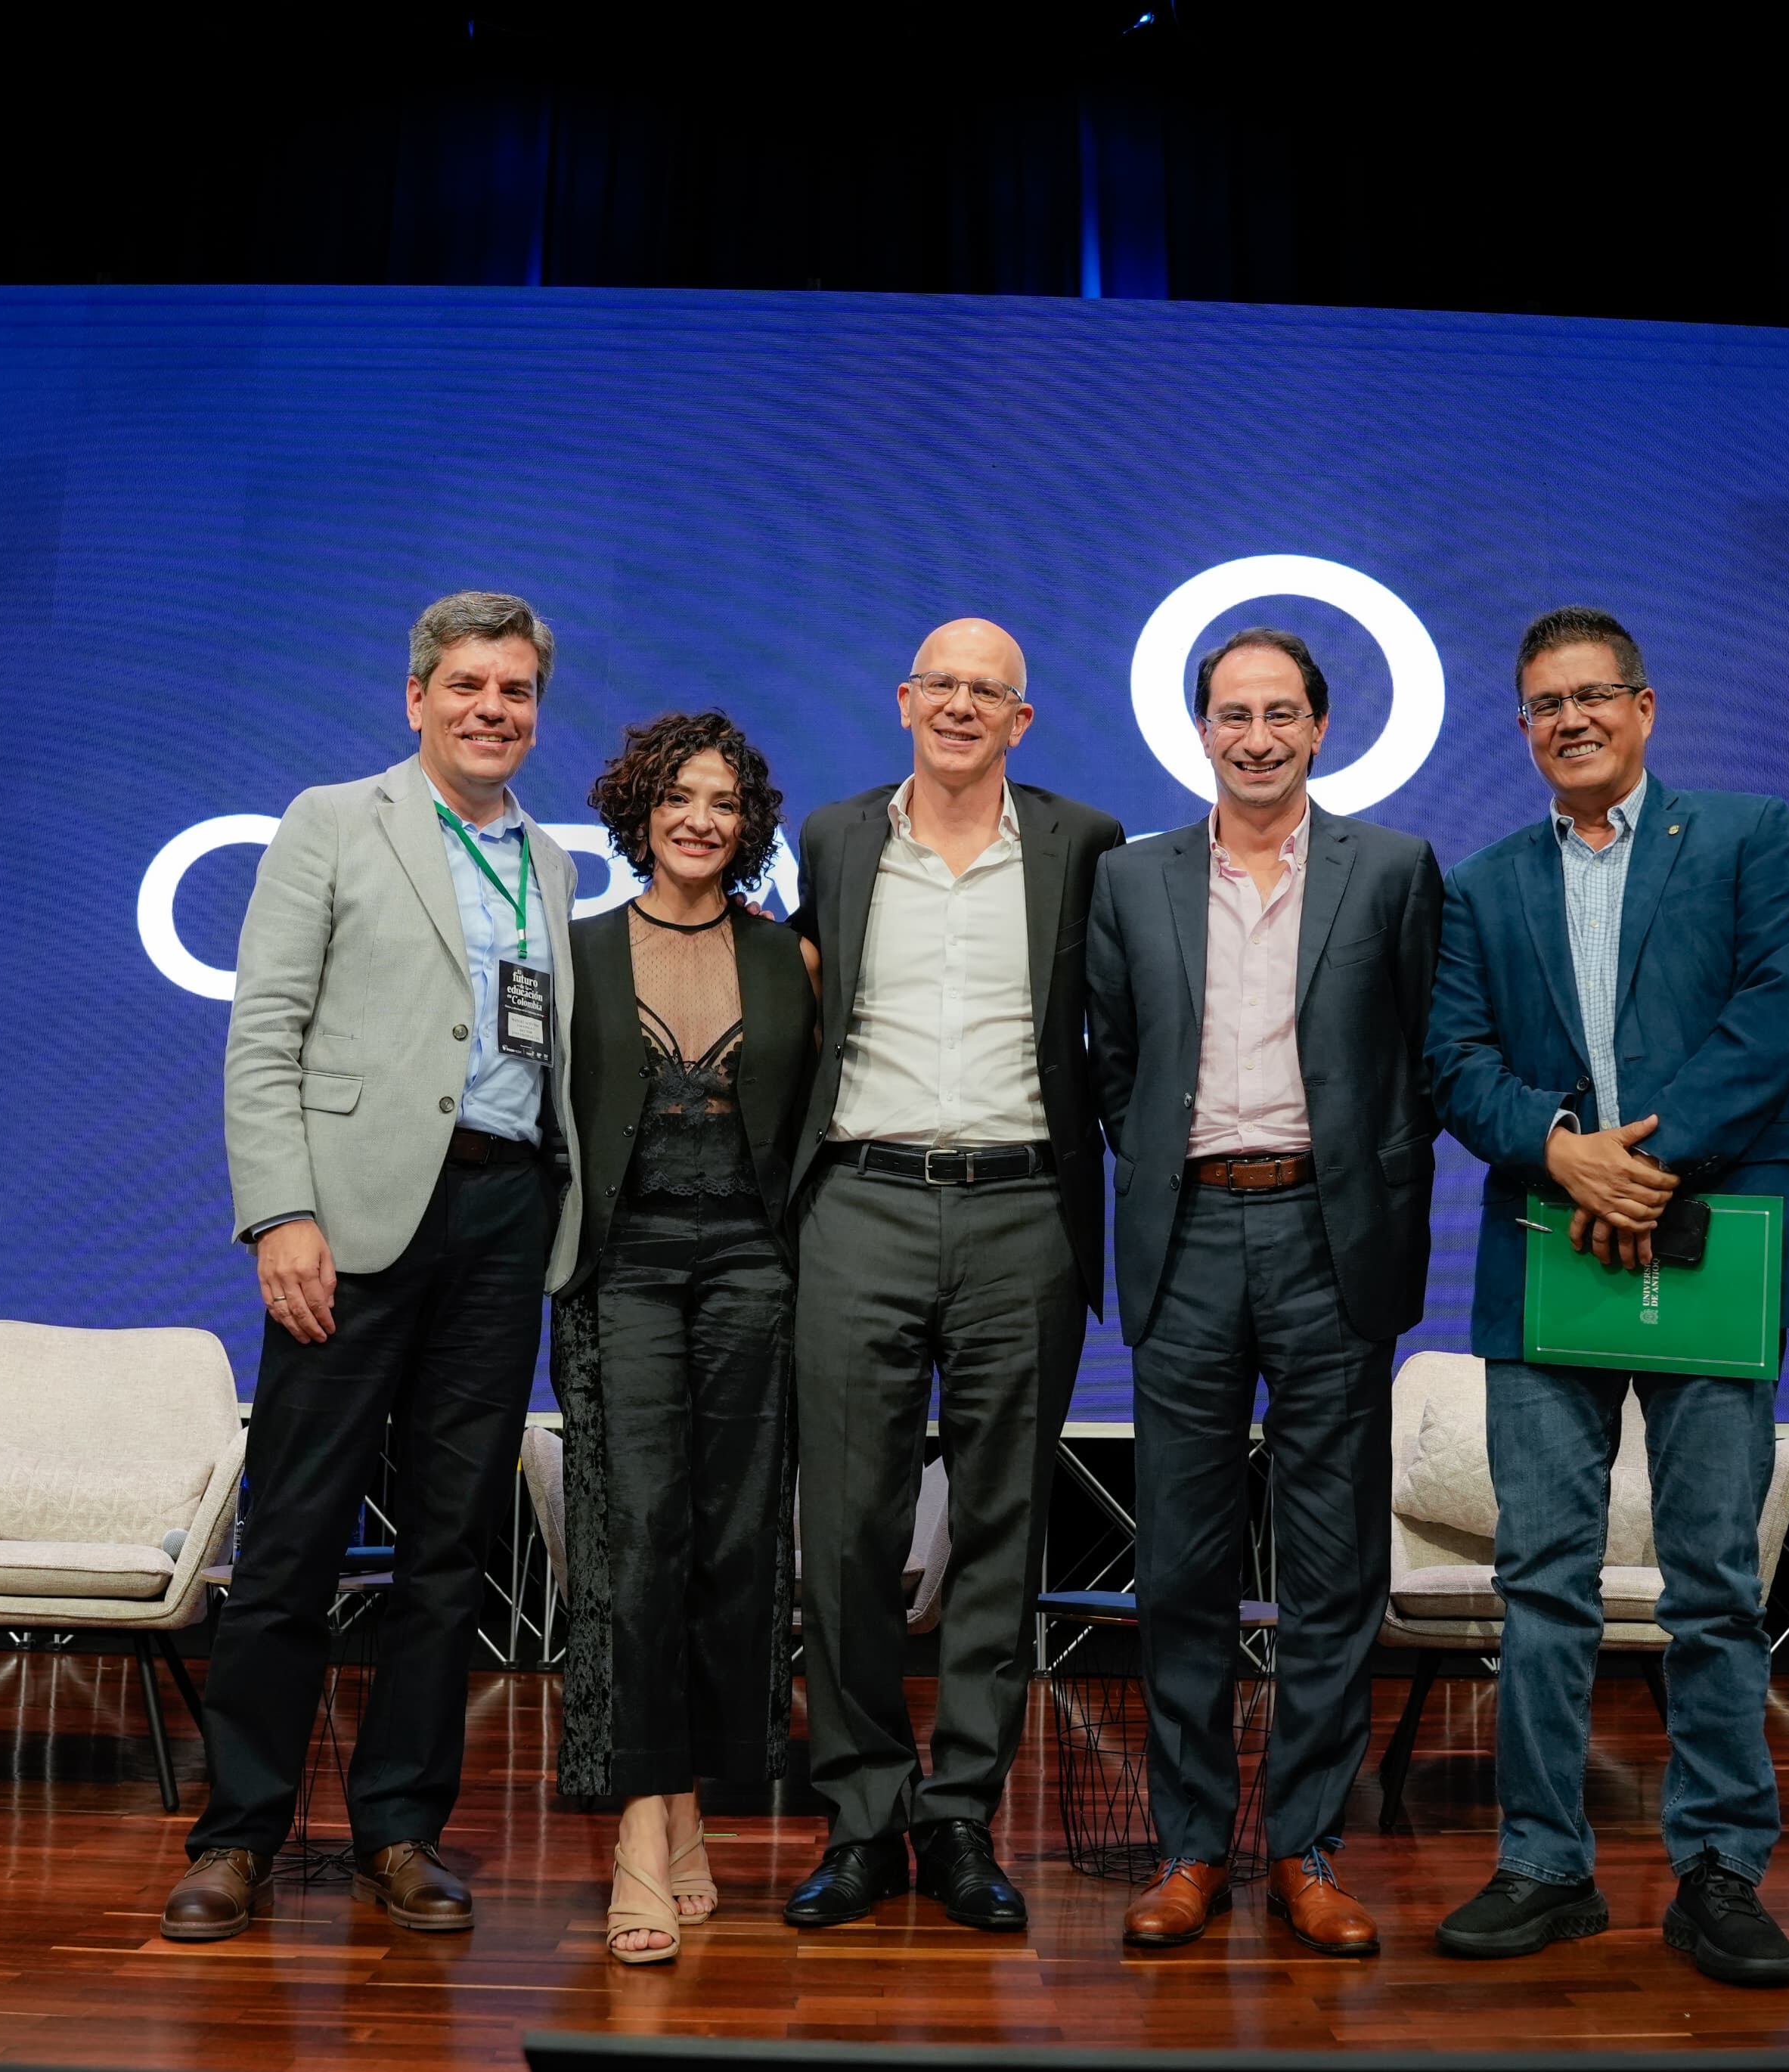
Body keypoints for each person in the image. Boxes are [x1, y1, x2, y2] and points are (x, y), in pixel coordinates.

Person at [1422, 605, 1789, 1988]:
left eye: (1595, 695)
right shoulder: (1479, 884)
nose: (1572, 720)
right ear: (1524, 726)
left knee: (1715, 1580)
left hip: (1711, 1230)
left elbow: (1778, 1012)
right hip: (1549, 1248)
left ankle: (1720, 1870)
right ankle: (1544, 1867)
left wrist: (1641, 1166)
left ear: (1645, 709)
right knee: (1543, 1582)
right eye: (1544, 703)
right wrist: (1561, 1154)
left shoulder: (1744, 835)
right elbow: (1456, 1062)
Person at [168, 591, 586, 1943]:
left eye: (515, 691)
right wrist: (279, 1214)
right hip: (347, 1227)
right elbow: (266, 1030)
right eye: (467, 684)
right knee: (292, 1539)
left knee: (450, 1552)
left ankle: (399, 1832)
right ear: (416, 698)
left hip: (506, 1215)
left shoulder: (557, 865)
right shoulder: (334, 820)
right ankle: (238, 1833)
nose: (491, 710)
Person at [1085, 627, 1443, 1956]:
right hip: (1187, 1239)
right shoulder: (1130, 882)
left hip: (1327, 1237)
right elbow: (1112, 1060)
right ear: (1200, 732)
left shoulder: (1394, 870)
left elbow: (1417, 1051)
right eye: (1231, 714)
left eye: (1281, 712)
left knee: (1334, 1567)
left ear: (1320, 727)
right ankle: (1189, 1849)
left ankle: (1305, 1849)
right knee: (1179, 1564)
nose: (1256, 736)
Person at [779, 617, 1124, 1933]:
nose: (963, 706)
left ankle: (964, 1816)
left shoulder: (1084, 843)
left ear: (1023, 721)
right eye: (943, 686)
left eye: (991, 691)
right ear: (904, 699)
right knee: (848, 1532)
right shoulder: (836, 834)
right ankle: (864, 1814)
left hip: (1023, 1208)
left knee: (1000, 1532)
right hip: (858, 1201)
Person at [545, 710, 818, 1965]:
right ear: (639, 809)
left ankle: (690, 1807)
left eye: (724, 801)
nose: (701, 819)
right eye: (678, 796)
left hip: (757, 1275)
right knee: (638, 1537)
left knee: (734, 1545)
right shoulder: (580, 950)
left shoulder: (789, 963)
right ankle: (639, 1838)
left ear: (748, 822)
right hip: (625, 1274)